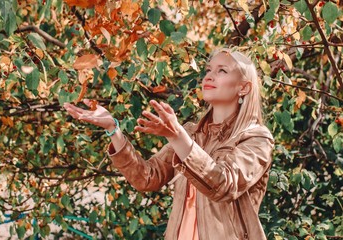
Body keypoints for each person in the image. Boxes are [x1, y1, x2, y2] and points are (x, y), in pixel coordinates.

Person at [64, 48, 274, 240]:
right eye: (209, 69)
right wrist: (113, 129)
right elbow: (147, 178)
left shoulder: (257, 139)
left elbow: (223, 185)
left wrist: (177, 137)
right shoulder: (191, 133)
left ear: (244, 88)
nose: (209, 75)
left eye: (222, 71)